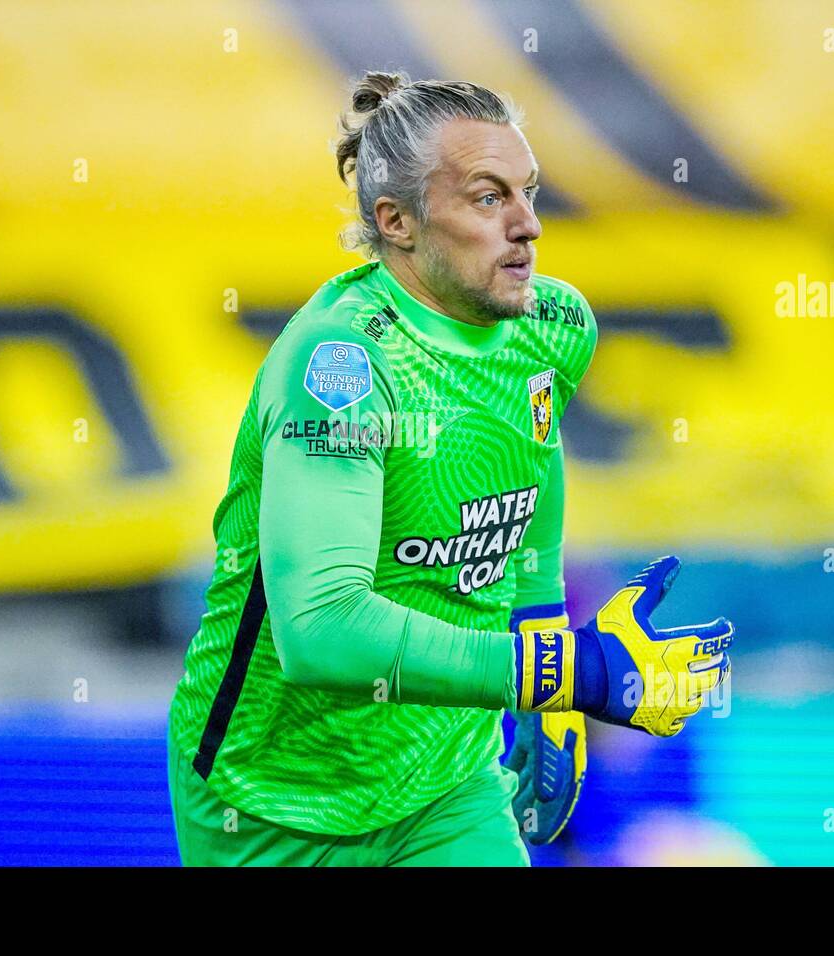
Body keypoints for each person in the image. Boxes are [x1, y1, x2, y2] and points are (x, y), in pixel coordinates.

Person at [167, 71, 733, 866]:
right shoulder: (340, 366)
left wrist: (546, 661)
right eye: (488, 196)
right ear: (397, 221)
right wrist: (558, 671)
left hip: (446, 784)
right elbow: (321, 632)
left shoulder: (554, 324)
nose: (529, 225)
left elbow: (530, 471)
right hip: (275, 797)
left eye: (529, 192)